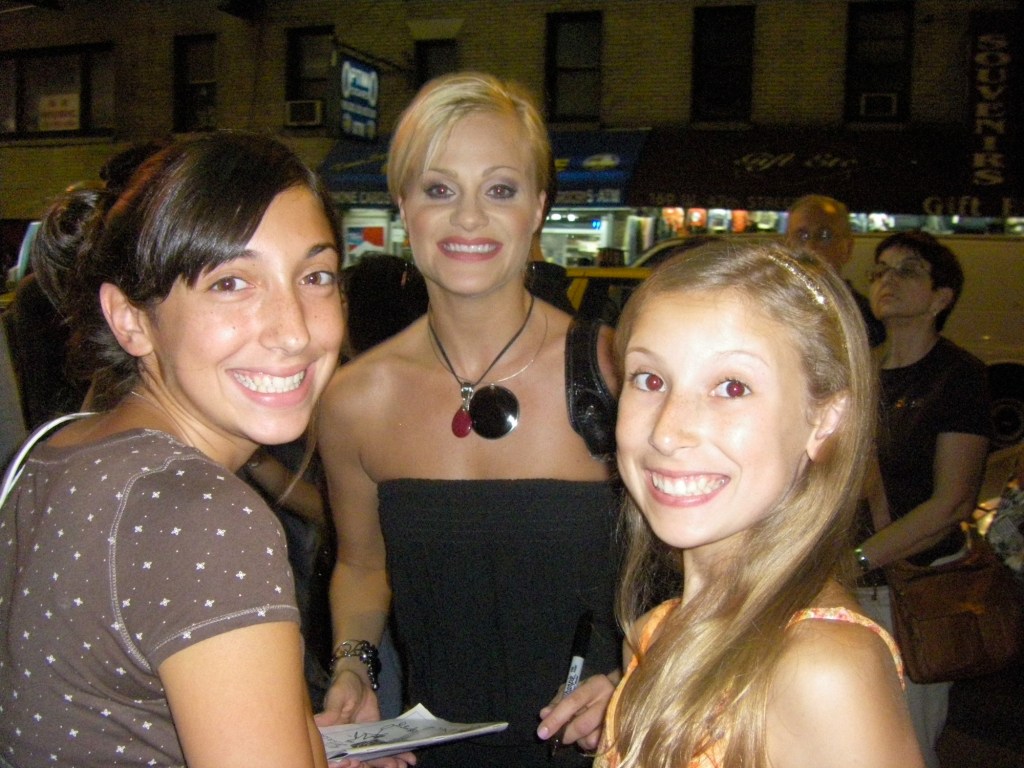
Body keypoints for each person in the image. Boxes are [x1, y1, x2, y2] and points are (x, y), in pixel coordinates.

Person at [0, 132, 352, 768]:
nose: (295, 331)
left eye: (315, 276)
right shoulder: (203, 514)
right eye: (230, 283)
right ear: (130, 319)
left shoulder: (56, 447)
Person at [317, 71, 622, 767]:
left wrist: (640, 671)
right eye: (439, 189)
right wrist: (355, 667)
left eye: (501, 190)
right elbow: (362, 566)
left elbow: (697, 569)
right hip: (434, 754)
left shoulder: (615, 373)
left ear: (537, 208)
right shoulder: (354, 399)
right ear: (404, 206)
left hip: (602, 749)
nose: (469, 218)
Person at [597, 241, 923, 768]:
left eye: (732, 387)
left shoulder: (823, 669)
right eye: (650, 380)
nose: (667, 432)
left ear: (825, 419)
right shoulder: (659, 630)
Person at [852, 231, 992, 768]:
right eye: (880, 270)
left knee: (903, 742)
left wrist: (860, 559)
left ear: (941, 298)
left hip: (910, 589)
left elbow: (952, 503)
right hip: (845, 585)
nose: (887, 280)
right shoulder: (862, 372)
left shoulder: (958, 377)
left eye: (908, 270)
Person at [785, 194, 886, 347]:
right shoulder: (770, 308)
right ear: (787, 246)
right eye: (802, 236)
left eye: (824, 235)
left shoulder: (866, 320)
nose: (811, 247)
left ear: (847, 248)